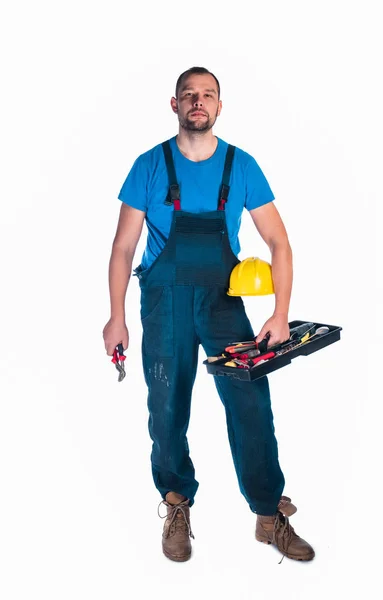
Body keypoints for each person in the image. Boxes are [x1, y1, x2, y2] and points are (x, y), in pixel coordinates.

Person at [103, 66, 315, 563]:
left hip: (223, 304)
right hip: (164, 305)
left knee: (250, 408)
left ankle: (267, 513)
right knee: (168, 409)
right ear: (174, 105)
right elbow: (122, 247)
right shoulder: (148, 165)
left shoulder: (242, 166)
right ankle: (176, 503)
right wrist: (116, 316)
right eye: (189, 95)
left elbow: (279, 242)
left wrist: (280, 314)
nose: (198, 102)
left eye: (208, 95)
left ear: (220, 106)